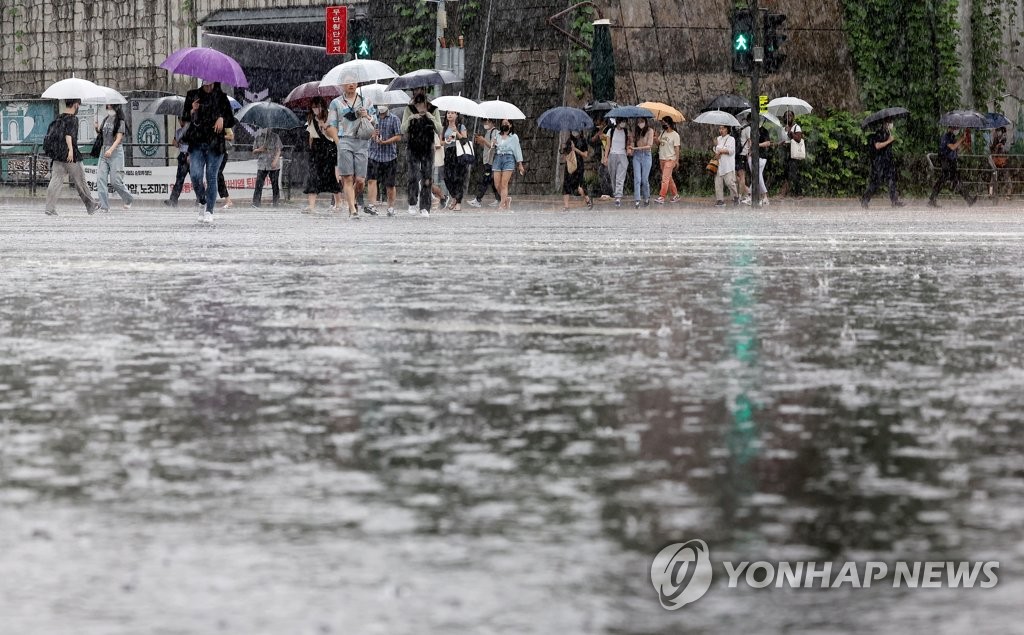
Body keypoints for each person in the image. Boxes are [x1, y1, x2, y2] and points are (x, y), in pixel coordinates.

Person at [182, 80, 234, 222]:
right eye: (206, 82)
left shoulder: (222, 97)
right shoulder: (192, 95)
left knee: (212, 176)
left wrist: (222, 118)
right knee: (195, 175)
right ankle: (202, 201)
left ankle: (209, 211)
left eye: (211, 82)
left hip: (215, 144)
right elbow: (184, 119)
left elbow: (231, 119)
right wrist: (192, 110)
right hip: (197, 143)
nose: (208, 85)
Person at [327, 79, 375, 219]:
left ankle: (351, 199)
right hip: (344, 140)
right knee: (347, 178)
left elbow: (375, 120)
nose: (351, 84)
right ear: (342, 85)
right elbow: (331, 125)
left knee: (360, 180)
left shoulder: (366, 101)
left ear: (357, 84)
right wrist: (338, 142)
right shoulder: (336, 103)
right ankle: (353, 210)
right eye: (347, 82)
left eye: (353, 82)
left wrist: (367, 115)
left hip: (361, 141)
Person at [44, 99, 98, 216]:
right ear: (75, 104)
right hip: (70, 155)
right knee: (80, 181)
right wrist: (70, 151)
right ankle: (90, 204)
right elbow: (69, 135)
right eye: (78, 104)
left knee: (55, 180)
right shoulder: (73, 119)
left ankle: (50, 207)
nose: (78, 107)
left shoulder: (60, 117)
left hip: (57, 154)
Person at [400, 86, 442, 217]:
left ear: (425, 91)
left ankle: (425, 206)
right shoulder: (409, 109)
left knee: (427, 177)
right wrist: (411, 118)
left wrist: (430, 116)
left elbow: (439, 129)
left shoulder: (433, 109)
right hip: (413, 146)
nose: (418, 92)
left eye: (421, 90)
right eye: (416, 90)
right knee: (412, 176)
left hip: (427, 147)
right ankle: (412, 202)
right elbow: (403, 129)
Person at [302, 96, 341, 213]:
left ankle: (338, 204)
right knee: (313, 177)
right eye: (313, 107)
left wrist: (325, 126)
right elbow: (311, 135)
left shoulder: (331, 116)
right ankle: (311, 205)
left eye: (317, 107)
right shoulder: (311, 118)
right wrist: (310, 149)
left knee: (332, 177)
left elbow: (334, 134)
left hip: (329, 149)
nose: (315, 109)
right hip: (316, 150)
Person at [93, 103, 134, 212]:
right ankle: (104, 205)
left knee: (115, 181)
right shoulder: (106, 119)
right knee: (100, 179)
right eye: (107, 105)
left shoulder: (120, 121)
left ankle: (128, 198)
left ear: (116, 106)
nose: (108, 107)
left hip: (115, 152)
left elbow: (118, 139)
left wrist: (111, 150)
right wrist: (97, 129)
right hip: (104, 151)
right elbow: (103, 135)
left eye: (110, 105)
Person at [366, 103, 402, 216]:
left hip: (389, 155)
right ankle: (372, 205)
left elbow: (398, 136)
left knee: (390, 184)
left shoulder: (394, 119)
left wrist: (385, 142)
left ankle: (390, 207)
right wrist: (372, 134)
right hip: (373, 153)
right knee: (372, 180)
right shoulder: (371, 118)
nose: (381, 106)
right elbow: (364, 133)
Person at [929, 126, 977, 208]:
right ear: (950, 128)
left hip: (951, 161)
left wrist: (965, 143)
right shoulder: (946, 137)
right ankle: (932, 199)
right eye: (955, 128)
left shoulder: (952, 137)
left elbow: (957, 147)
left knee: (955, 181)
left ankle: (968, 199)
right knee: (944, 179)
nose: (956, 130)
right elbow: (953, 147)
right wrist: (961, 139)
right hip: (945, 161)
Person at [860, 119, 904, 208]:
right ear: (885, 124)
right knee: (876, 182)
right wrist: (889, 141)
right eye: (889, 123)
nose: (891, 125)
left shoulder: (888, 133)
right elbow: (877, 146)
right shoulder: (879, 134)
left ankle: (894, 201)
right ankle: (865, 199)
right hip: (879, 161)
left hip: (888, 160)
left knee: (892, 180)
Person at [492, 119, 525, 210]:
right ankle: (506, 199)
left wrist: (520, 164)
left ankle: (502, 205)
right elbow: (492, 146)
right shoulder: (497, 135)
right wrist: (493, 143)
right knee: (497, 184)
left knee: (504, 184)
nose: (504, 125)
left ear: (510, 125)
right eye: (503, 123)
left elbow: (517, 150)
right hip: (498, 158)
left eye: (506, 123)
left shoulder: (514, 137)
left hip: (508, 158)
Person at [470, 119, 501, 207]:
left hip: (491, 161)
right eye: (484, 121)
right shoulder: (488, 132)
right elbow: (487, 147)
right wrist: (480, 142)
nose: (485, 123)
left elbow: (492, 146)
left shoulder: (495, 132)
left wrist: (483, 140)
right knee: (492, 181)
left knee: (485, 180)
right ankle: (499, 199)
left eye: (488, 122)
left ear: (493, 122)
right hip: (487, 160)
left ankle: (478, 199)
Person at [442, 110, 468, 210]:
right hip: (449, 152)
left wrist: (456, 131)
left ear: (457, 115)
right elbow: (440, 142)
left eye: (452, 113)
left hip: (459, 152)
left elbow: (464, 140)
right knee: (447, 177)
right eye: (448, 113)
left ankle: (458, 202)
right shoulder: (444, 127)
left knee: (459, 178)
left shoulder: (461, 126)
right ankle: (454, 196)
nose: (450, 114)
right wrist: (446, 141)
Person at [561, 129, 592, 212]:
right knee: (566, 184)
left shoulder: (583, 140)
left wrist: (575, 149)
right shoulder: (569, 141)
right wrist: (564, 149)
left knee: (580, 185)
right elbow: (565, 154)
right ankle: (566, 206)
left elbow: (585, 154)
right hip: (570, 165)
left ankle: (588, 200)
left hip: (579, 166)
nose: (574, 132)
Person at [251, 126, 282, 208]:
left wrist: (275, 160)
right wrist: (259, 150)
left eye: (269, 127)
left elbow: (279, 150)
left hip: (273, 165)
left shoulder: (275, 136)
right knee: (258, 184)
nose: (267, 129)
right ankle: (256, 203)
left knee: (275, 185)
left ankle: (276, 203)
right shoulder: (258, 137)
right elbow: (253, 151)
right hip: (262, 164)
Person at [164, 117, 191, 207]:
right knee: (179, 179)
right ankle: (173, 200)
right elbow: (174, 142)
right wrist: (175, 142)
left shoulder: (191, 130)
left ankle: (201, 199)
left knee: (196, 180)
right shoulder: (178, 131)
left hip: (191, 156)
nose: (180, 122)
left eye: (182, 120)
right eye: (179, 120)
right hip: (182, 156)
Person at [603, 118, 630, 207]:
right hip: (612, 155)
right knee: (613, 176)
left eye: (625, 121)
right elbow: (607, 145)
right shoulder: (611, 131)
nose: (623, 123)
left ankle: (618, 196)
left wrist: (629, 148)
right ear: (618, 121)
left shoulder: (626, 132)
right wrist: (605, 157)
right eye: (622, 121)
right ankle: (615, 193)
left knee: (620, 177)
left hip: (622, 155)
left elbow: (629, 143)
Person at [778, 110, 804, 199]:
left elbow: (798, 139)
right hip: (786, 153)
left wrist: (791, 132)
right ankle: (784, 193)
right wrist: (781, 143)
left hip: (794, 153)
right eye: (786, 116)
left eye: (789, 116)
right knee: (786, 173)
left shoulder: (797, 127)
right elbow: (785, 140)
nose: (788, 117)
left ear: (793, 117)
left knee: (793, 173)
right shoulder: (783, 128)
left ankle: (798, 192)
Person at [655, 116, 680, 204]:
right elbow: (659, 143)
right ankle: (675, 195)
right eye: (662, 123)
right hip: (662, 158)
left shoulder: (675, 135)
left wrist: (677, 160)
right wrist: (655, 138)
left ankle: (662, 197)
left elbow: (677, 148)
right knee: (669, 178)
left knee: (665, 178)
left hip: (670, 159)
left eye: (664, 122)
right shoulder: (662, 133)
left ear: (669, 123)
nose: (662, 124)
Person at [630, 117, 654, 208]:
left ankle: (646, 197)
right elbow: (632, 143)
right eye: (639, 121)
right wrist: (631, 145)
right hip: (637, 155)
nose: (640, 123)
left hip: (646, 155)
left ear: (645, 122)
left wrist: (635, 148)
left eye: (642, 121)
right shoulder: (635, 131)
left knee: (644, 179)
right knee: (637, 179)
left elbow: (649, 145)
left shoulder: (650, 131)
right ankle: (637, 199)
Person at [713, 124, 738, 207]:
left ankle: (735, 196)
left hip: (728, 165)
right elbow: (715, 150)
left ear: (727, 129)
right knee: (718, 182)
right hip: (719, 164)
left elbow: (730, 151)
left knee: (730, 183)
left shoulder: (731, 139)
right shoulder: (718, 139)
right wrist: (718, 150)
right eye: (720, 128)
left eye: (723, 128)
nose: (721, 130)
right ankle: (720, 200)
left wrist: (719, 148)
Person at [750, 122, 772, 206]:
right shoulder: (752, 130)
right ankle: (762, 196)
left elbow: (768, 143)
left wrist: (757, 145)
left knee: (757, 174)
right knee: (756, 175)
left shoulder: (764, 131)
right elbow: (750, 143)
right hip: (753, 156)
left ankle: (752, 194)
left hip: (762, 156)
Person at [989, 126, 1010, 199]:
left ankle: (1008, 194)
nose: (997, 132)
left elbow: (1007, 150)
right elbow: (991, 151)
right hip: (995, 162)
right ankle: (991, 194)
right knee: (993, 178)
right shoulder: (994, 139)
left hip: (1003, 162)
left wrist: (1001, 146)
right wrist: (995, 146)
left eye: (999, 131)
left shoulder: (1006, 140)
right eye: (997, 131)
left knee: (1007, 178)